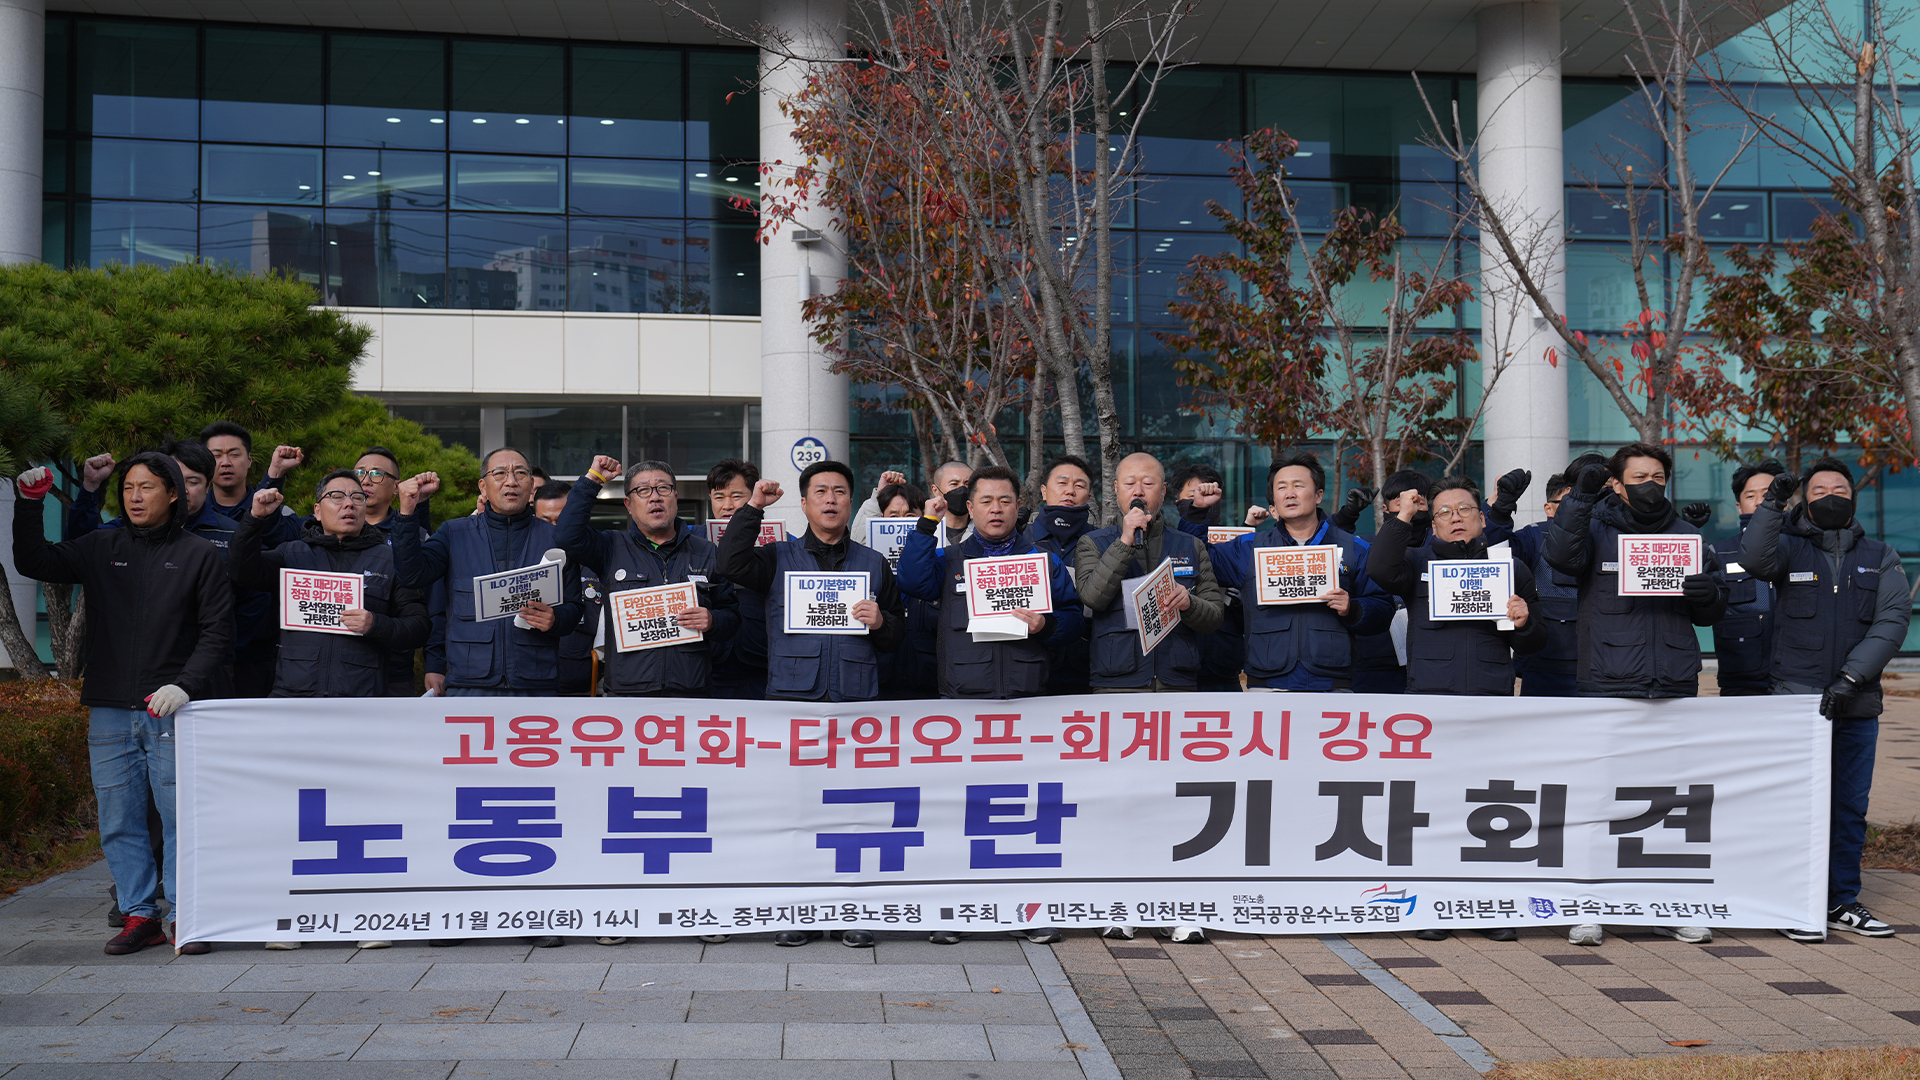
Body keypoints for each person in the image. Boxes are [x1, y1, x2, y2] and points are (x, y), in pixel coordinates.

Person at [14, 455, 232, 956]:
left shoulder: (199, 554)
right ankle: (140, 915)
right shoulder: (102, 545)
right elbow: (36, 563)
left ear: (172, 494)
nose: (135, 496)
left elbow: (218, 632)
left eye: (147, 487)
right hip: (110, 706)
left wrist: (186, 685)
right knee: (119, 818)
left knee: (180, 817)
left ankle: (185, 915)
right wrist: (28, 506)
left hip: (171, 708)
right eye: (129, 487)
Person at [391, 448, 584, 949]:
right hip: (470, 686)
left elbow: (576, 611)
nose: (511, 481)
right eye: (500, 473)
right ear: (483, 485)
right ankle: (457, 911)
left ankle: (535, 911)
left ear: (533, 485)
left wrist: (555, 619)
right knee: (463, 801)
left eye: (520, 473)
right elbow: (412, 575)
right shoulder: (455, 533)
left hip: (534, 684)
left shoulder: (555, 538)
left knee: (534, 802)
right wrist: (406, 512)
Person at [232, 469, 431, 951]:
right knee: (290, 813)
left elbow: (419, 626)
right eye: (337, 496)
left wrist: (376, 624)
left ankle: (366, 916)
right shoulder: (293, 554)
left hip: (362, 707)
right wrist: (254, 520)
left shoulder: (390, 558)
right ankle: (290, 916)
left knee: (361, 812)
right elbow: (239, 570)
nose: (349, 504)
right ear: (317, 508)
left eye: (358, 497)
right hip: (294, 703)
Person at [716, 459, 907, 949]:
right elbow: (730, 564)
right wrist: (753, 507)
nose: (830, 499)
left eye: (839, 491)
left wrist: (881, 622)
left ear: (851, 501)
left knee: (853, 815)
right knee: (795, 813)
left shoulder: (873, 562)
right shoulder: (776, 557)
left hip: (854, 707)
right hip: (792, 704)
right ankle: (796, 910)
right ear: (803, 504)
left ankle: (852, 910)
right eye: (820, 491)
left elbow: (896, 637)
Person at [1546, 442, 1727, 948]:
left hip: (1673, 682)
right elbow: (1560, 558)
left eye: (1658, 477)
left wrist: (1710, 595)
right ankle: (1587, 906)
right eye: (1639, 477)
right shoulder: (1594, 528)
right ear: (1618, 483)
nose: (1650, 485)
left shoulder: (1686, 535)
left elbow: (1714, 607)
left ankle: (1667, 906)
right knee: (1598, 800)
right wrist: (1580, 500)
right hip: (1606, 681)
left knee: (1668, 802)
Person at [897, 464, 1079, 947]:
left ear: (1019, 507)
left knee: (1023, 811)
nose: (995, 510)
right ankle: (953, 910)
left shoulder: (1041, 561)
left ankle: (1028, 909)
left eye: (1004, 501)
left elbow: (1074, 619)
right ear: (970, 507)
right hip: (963, 706)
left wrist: (1047, 626)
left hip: (1027, 705)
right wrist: (927, 523)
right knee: (960, 812)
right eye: (985, 501)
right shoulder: (950, 559)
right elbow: (911, 581)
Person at [1740, 458, 1910, 941]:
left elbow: (1892, 621)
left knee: (1849, 808)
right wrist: (1773, 503)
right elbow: (1753, 559)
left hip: (1856, 704)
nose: (1830, 496)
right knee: (1795, 806)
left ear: (1854, 497)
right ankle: (1793, 903)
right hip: (1796, 704)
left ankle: (1841, 900)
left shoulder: (1881, 555)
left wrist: (1852, 678)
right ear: (1804, 499)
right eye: (1819, 490)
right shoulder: (1787, 547)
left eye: (1840, 489)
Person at [1076, 452, 1228, 945]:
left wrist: (1190, 603)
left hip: (1176, 689)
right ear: (1116, 492)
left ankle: (1175, 905)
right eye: (1129, 483)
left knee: (1174, 802)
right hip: (1118, 688)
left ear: (1165, 491)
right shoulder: (1094, 542)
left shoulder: (1189, 545)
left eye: (1148, 482)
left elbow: (1216, 612)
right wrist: (1124, 543)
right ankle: (1118, 904)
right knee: (1118, 801)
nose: (1138, 491)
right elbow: (1092, 598)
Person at [69, 441, 288, 699]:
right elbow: (78, 551)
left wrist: (218, 647)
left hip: (212, 676)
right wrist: (90, 488)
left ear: (208, 486)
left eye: (192, 481)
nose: (181, 489)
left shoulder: (232, 534)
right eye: (172, 480)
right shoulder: (129, 532)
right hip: (142, 673)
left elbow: (256, 600)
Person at [1182, 452, 1393, 692]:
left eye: (1298, 485)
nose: (1290, 493)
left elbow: (1383, 608)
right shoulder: (1249, 548)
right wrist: (1198, 511)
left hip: (1333, 684)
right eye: (1282, 487)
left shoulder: (1354, 548)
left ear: (1318, 495)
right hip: (1266, 684)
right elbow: (1193, 559)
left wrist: (1352, 609)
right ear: (1274, 502)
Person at [1712, 461, 1785, 697]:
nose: (1759, 501)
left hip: (1797, 678)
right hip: (1741, 678)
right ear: (1739, 506)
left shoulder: (1802, 548)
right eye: (1750, 496)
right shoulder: (1719, 553)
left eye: (1768, 494)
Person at [1026, 455, 1097, 696]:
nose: (1070, 491)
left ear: (1089, 496)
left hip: (1088, 666)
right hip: (1029, 664)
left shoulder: (1102, 543)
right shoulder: (1020, 540)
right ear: (1044, 491)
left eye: (1079, 485)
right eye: (1062, 483)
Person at [1172, 462, 1245, 693]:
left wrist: (1240, 601)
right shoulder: (1166, 541)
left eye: (1208, 493)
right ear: (1177, 501)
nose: (1201, 499)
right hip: (1178, 661)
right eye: (1192, 495)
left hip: (1223, 661)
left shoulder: (1236, 545)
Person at [869, 476, 939, 701]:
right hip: (879, 680)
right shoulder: (869, 565)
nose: (901, 522)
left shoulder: (938, 563)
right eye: (893, 516)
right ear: (881, 519)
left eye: (909, 516)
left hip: (930, 682)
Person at [706, 458, 769, 700]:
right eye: (719, 497)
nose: (727, 505)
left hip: (759, 661)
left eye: (736, 496)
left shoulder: (779, 541)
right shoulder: (693, 543)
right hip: (708, 661)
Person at [535, 479, 602, 696]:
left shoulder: (600, 557)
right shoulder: (524, 564)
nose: (556, 529)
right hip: (533, 686)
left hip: (589, 690)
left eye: (562, 520)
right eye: (546, 521)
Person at [199, 420, 300, 520]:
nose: (226, 462)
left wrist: (277, 470)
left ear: (249, 461)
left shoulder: (283, 514)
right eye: (216, 455)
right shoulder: (194, 513)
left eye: (234, 455)